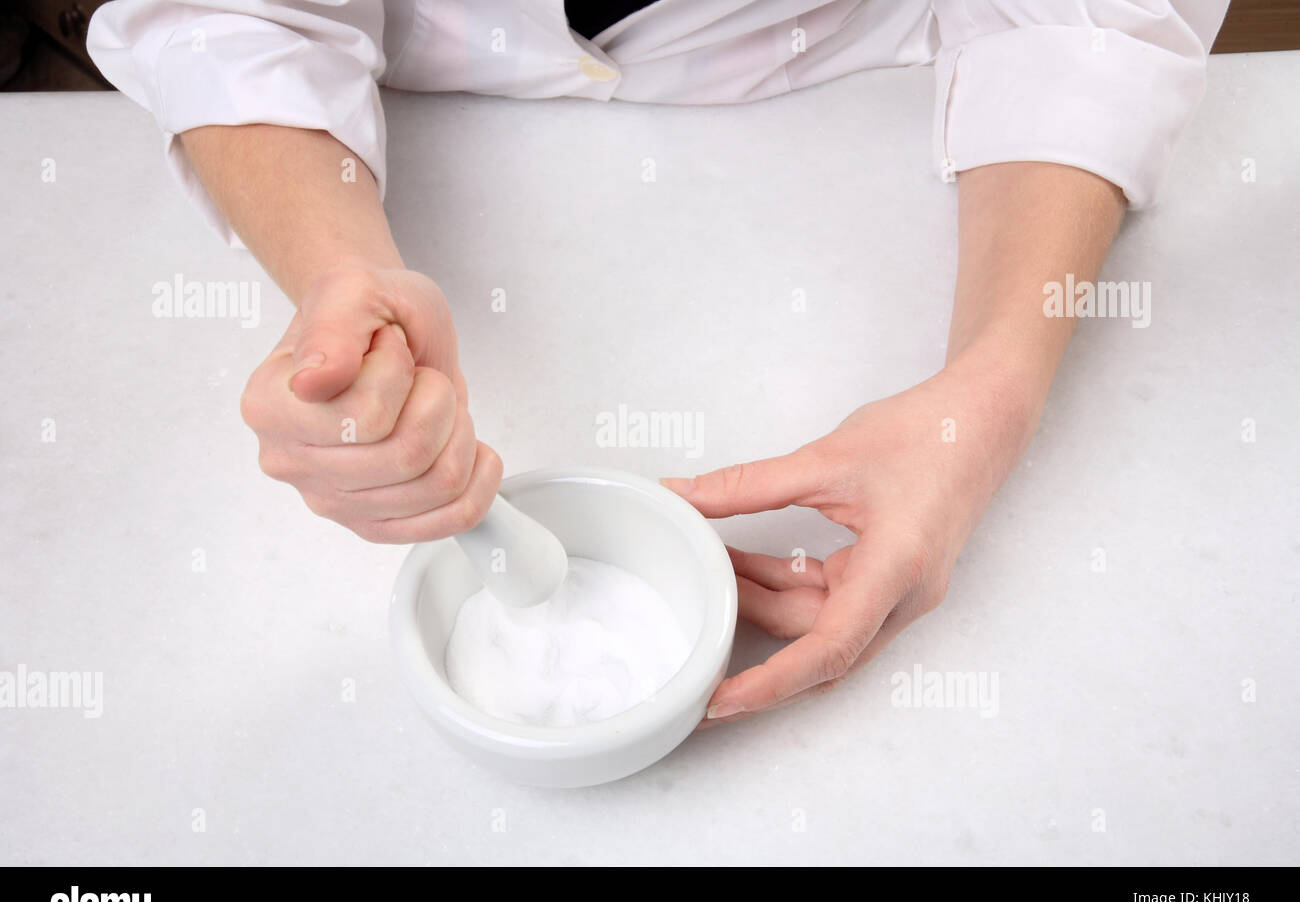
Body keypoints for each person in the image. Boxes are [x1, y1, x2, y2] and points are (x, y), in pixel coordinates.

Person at [86, 0, 1228, 724]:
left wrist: (989, 386)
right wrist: (342, 282)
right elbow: (232, 20)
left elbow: (1080, 23)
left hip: (852, 83)